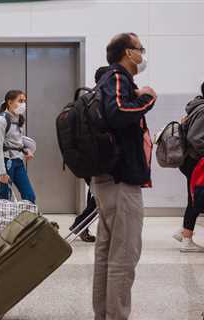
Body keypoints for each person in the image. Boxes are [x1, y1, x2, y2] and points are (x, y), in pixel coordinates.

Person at [92, 33, 157, 320]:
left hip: (109, 180)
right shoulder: (117, 77)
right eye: (139, 49)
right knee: (124, 257)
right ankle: (116, 316)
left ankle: (105, 315)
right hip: (121, 182)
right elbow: (118, 112)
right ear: (128, 53)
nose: (142, 53)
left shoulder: (108, 80)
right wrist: (147, 98)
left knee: (107, 255)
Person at [69, 66, 110, 243]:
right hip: (95, 159)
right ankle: (80, 225)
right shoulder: (97, 101)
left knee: (95, 196)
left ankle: (81, 226)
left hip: (89, 159)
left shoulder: (88, 99)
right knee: (97, 198)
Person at [173, 81, 204, 252]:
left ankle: (184, 231)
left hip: (190, 161)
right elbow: (195, 138)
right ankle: (187, 239)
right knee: (196, 198)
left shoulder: (196, 106)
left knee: (195, 198)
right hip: (195, 161)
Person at [0, 90, 36, 203]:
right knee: (5, 198)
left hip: (18, 161)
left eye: (24, 101)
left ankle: (27, 221)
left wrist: (26, 150)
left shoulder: (20, 119)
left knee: (29, 196)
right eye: (20, 101)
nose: (23, 104)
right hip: (6, 162)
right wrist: (2, 172)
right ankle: (4, 221)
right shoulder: (0, 120)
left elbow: (18, 142)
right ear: (10, 102)